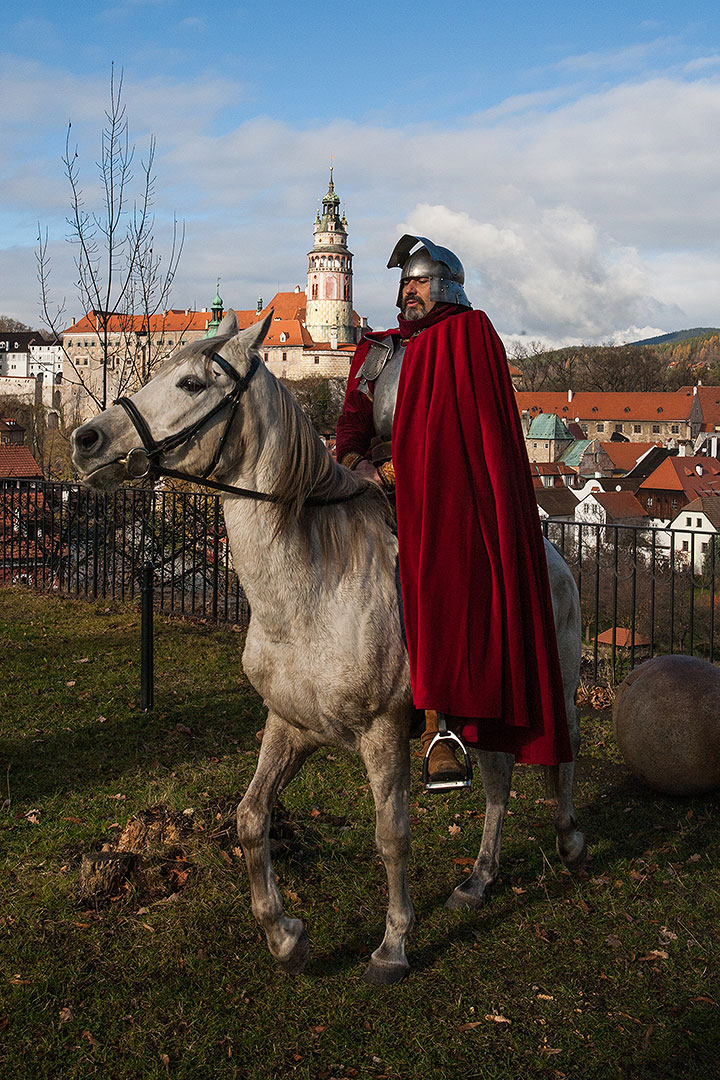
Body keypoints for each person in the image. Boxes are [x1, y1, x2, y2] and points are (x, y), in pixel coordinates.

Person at [335, 235, 573, 788]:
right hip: (370, 483)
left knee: (442, 572)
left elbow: (457, 440)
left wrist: (394, 474)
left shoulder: (467, 338)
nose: (407, 291)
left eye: (417, 281)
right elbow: (354, 417)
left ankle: (441, 727)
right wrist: (353, 460)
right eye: (404, 284)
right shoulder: (376, 348)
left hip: (449, 492)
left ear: (445, 285)